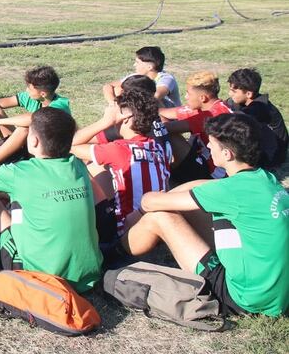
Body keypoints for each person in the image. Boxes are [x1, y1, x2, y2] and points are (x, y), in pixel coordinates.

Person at [121, 114, 289, 317]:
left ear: (227, 154)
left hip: (246, 298)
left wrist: (147, 203)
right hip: (275, 292)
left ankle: (117, 251)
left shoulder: (228, 191)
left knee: (160, 217)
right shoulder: (265, 179)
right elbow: (206, 188)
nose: (208, 148)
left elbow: (150, 202)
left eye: (212, 145)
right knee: (193, 196)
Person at [0, 108, 102, 293]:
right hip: (87, 276)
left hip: (37, 278)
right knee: (18, 203)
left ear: (34, 141)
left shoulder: (19, 172)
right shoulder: (77, 166)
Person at [71, 89, 171, 236]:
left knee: (87, 166)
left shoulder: (118, 150)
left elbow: (69, 145)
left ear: (126, 117)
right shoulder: (156, 147)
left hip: (126, 231)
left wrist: (104, 122)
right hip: (156, 226)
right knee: (102, 166)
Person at [0, 66, 71, 171]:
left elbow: (33, 119)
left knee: (24, 128)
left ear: (42, 93)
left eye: (30, 88)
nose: (26, 91)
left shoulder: (60, 105)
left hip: (45, 153)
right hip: (29, 145)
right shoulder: (32, 98)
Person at [160, 71, 232, 184]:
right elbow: (164, 112)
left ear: (203, 98)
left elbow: (166, 128)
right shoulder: (213, 106)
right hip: (210, 160)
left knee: (166, 132)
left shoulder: (210, 116)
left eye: (189, 93)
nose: (186, 97)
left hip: (214, 175)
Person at [225, 68, 287, 168]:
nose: (230, 94)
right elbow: (225, 106)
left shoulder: (260, 109)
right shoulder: (242, 101)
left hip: (272, 156)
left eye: (234, 91)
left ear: (249, 94)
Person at [104, 46, 181, 108]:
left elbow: (156, 97)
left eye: (137, 62)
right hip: (144, 110)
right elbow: (108, 86)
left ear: (149, 67)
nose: (134, 65)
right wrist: (112, 102)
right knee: (118, 89)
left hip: (169, 117)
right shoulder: (137, 77)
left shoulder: (166, 78)